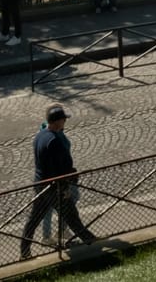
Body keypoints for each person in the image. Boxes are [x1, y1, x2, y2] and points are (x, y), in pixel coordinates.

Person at [20, 103, 98, 259]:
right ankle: (93, 245)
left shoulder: (40, 136)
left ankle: (25, 251)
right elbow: (59, 169)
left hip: (40, 184)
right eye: (63, 119)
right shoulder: (54, 141)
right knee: (72, 217)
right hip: (54, 187)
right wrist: (65, 189)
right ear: (57, 121)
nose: (65, 122)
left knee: (34, 219)